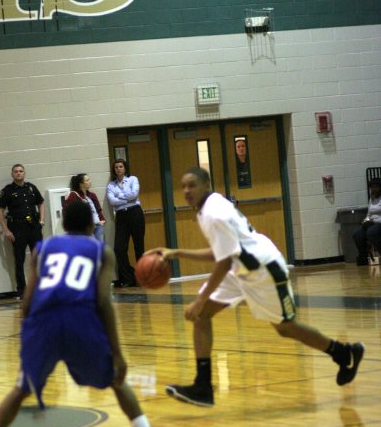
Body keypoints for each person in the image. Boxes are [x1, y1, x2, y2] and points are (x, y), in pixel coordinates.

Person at [0, 201, 165, 427]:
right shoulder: (102, 252)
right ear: (91, 225)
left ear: (63, 224)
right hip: (81, 321)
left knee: (20, 389)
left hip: (45, 323)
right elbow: (103, 302)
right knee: (116, 380)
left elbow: (27, 300)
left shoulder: (44, 249)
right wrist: (117, 352)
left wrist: (26, 338)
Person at [147, 167, 364, 407]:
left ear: (206, 185)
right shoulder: (208, 206)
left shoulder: (214, 214)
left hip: (263, 270)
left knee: (285, 328)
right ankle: (203, 387)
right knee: (202, 316)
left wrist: (200, 299)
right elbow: (224, 252)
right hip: (241, 269)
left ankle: (344, 353)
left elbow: (224, 260)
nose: (186, 190)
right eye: (183, 186)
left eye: (192, 185)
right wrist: (177, 252)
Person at [0, 163, 45, 299]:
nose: (18, 173)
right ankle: (22, 290)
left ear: (24, 173)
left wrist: (41, 220)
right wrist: (6, 230)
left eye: (21, 171)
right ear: (12, 174)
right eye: (16, 171)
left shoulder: (31, 188)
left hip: (34, 227)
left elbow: (41, 203)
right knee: (19, 259)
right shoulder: (7, 191)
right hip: (17, 229)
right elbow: (0, 210)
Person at [107, 158, 145, 287]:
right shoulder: (111, 185)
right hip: (121, 215)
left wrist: (120, 197)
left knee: (138, 246)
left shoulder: (133, 179)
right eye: (116, 167)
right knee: (119, 248)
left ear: (125, 168)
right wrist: (126, 199)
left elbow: (134, 194)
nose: (118, 169)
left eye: (121, 167)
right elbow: (112, 201)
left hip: (135, 213)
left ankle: (142, 278)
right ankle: (129, 277)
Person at [64, 173, 106, 242]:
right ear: (81, 184)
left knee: (99, 248)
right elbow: (68, 210)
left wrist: (102, 219)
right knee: (91, 246)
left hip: (97, 224)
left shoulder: (92, 195)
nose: (90, 181)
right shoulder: (74, 195)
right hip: (86, 227)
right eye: (87, 180)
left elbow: (98, 209)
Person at [352, 177, 381, 266]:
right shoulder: (371, 199)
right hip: (372, 223)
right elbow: (369, 215)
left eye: (376, 186)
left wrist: (374, 221)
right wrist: (365, 221)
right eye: (372, 187)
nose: (374, 189)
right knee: (357, 234)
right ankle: (363, 256)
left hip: (379, 223)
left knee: (371, 232)